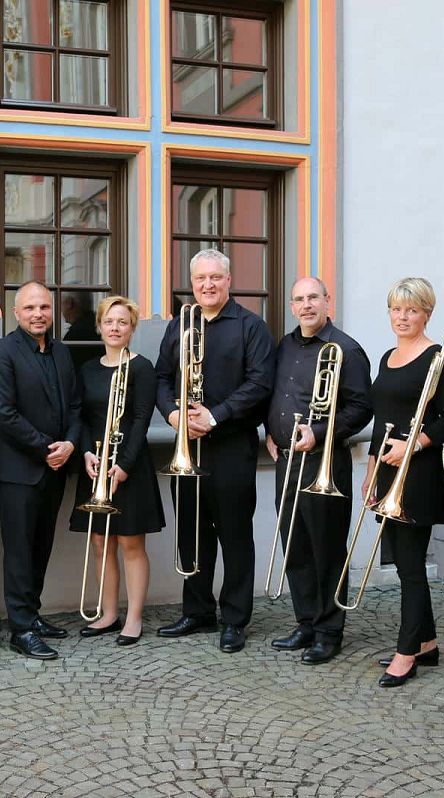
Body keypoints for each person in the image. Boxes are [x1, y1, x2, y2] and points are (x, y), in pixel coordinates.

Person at [154, 249, 275, 653]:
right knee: (192, 533)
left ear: (228, 280)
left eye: (215, 278)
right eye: (200, 279)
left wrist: (215, 416)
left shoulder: (251, 327)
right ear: (192, 284)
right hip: (186, 445)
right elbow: (160, 378)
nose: (207, 285)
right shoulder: (180, 324)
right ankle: (198, 611)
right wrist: (172, 414)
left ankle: (235, 618)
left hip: (230, 448)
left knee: (236, 536)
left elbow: (260, 384)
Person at [265, 277, 372, 664]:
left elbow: (361, 408)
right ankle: (306, 621)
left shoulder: (347, 349)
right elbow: (276, 393)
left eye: (313, 298)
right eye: (299, 299)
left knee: (326, 547)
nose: (306, 305)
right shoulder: (286, 345)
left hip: (324, 460)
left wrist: (320, 432)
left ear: (328, 301)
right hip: (287, 460)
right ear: (291, 306)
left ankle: (330, 630)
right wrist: (270, 432)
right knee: (295, 544)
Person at [367, 277, 444, 688]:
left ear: (427, 313)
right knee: (405, 561)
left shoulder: (439, 359)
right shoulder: (388, 356)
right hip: (388, 470)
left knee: (410, 567)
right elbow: (380, 420)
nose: (402, 317)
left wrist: (414, 444)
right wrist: (372, 470)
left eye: (412, 310)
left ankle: (405, 652)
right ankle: (426, 643)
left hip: (419, 472)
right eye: (396, 309)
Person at [0, 280, 82, 660]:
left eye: (44, 307)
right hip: (18, 470)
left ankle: (34, 613)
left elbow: (75, 405)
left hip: (56, 465)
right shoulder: (1, 353)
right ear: (16, 312)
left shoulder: (61, 352)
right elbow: (3, 414)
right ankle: (21, 628)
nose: (38, 314)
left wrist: (70, 444)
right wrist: (47, 449)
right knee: (19, 551)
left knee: (42, 545)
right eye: (30, 308)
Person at [69, 296, 164, 645]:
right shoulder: (89, 369)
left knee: (130, 543)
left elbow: (141, 419)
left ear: (132, 328)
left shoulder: (142, 367)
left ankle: (134, 618)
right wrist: (85, 454)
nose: (115, 327)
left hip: (129, 468)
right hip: (96, 465)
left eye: (123, 322)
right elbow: (79, 415)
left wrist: (123, 464)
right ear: (98, 326)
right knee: (100, 542)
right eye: (109, 321)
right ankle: (108, 614)